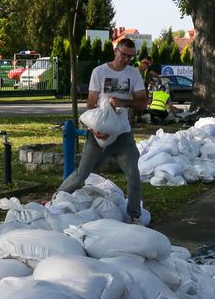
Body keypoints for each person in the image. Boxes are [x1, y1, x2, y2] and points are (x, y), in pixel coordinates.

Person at [59, 38, 148, 223]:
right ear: (116, 51)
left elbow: (142, 102)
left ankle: (134, 216)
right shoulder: (99, 72)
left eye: (130, 57)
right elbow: (91, 104)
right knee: (81, 174)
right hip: (98, 134)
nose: (126, 59)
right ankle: (56, 200)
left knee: (133, 175)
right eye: (123, 54)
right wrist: (94, 129)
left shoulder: (134, 74)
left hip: (122, 133)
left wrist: (123, 102)